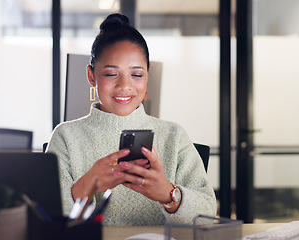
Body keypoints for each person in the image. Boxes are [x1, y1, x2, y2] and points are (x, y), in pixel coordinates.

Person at [46, 13, 216, 225]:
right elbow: (46, 218)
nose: (125, 86)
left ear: (147, 74)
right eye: (111, 74)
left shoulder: (174, 136)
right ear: (91, 76)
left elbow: (208, 216)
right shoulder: (65, 136)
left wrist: (168, 194)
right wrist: (86, 185)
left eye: (136, 74)